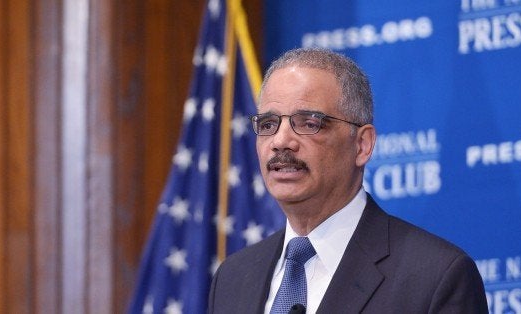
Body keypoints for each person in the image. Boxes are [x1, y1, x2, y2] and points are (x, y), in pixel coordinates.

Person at [207, 48, 488, 313]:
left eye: (308, 123)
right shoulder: (233, 278)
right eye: (268, 125)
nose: (281, 141)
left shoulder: (436, 277)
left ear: (362, 145)